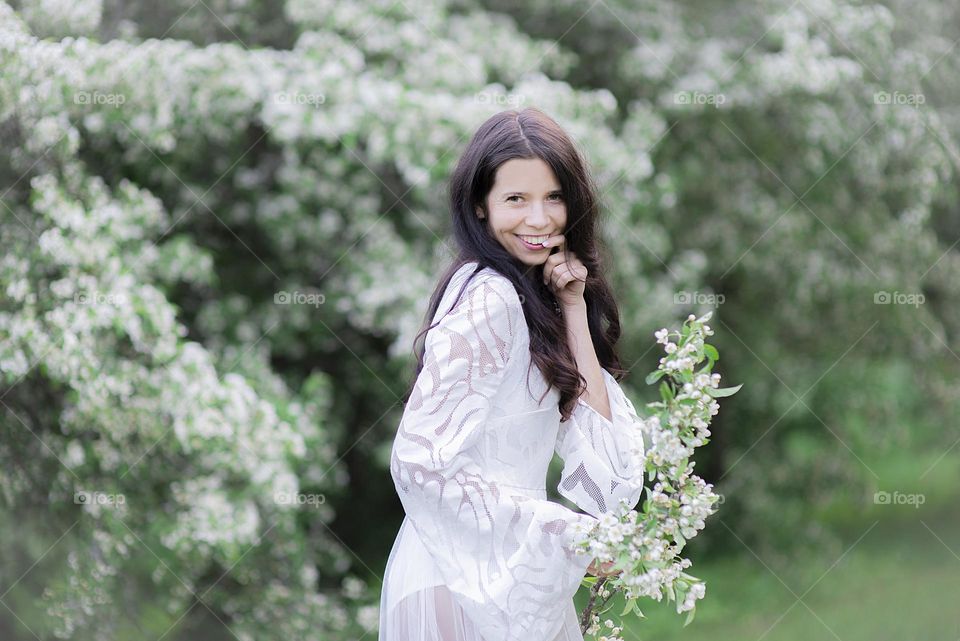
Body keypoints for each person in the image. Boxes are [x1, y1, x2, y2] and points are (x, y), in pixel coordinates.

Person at [379, 107, 648, 641]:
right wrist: (565, 533)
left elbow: (610, 472)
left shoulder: (531, 297)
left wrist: (573, 309)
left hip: (508, 573)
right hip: (460, 578)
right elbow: (420, 463)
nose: (539, 219)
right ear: (480, 206)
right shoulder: (491, 299)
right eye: (515, 199)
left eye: (553, 197)